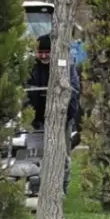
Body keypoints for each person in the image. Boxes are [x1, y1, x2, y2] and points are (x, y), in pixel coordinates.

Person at [28, 33, 82, 191]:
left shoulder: (65, 66)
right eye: (40, 52)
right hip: (37, 117)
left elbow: (74, 90)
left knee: (61, 155)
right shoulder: (31, 67)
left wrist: (66, 116)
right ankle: (37, 185)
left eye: (47, 52)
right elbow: (25, 89)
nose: (43, 56)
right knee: (36, 153)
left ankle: (62, 188)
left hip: (61, 118)